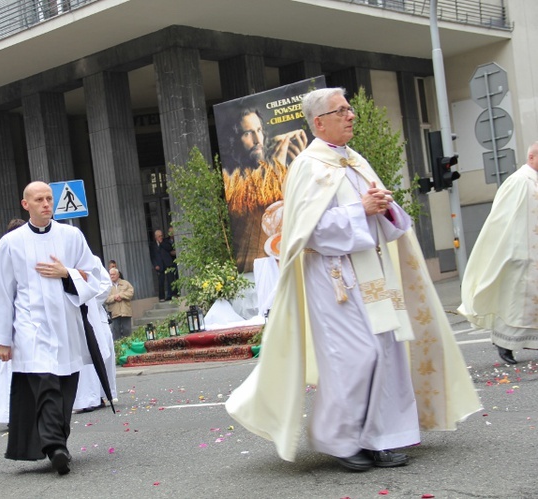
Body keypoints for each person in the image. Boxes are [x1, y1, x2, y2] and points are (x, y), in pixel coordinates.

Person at [225, 87, 481, 471]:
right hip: (333, 279)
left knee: (388, 353)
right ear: (319, 122)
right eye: (341, 110)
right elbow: (306, 230)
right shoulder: (309, 166)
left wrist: (384, 208)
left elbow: (390, 220)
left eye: (349, 109)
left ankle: (383, 437)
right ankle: (341, 440)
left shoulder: (355, 161)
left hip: (374, 272)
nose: (351, 115)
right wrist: (360, 211)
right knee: (355, 356)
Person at [0, 181, 100, 475]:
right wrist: (3, 339)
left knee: (65, 388)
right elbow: (2, 291)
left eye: (49, 198)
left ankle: (58, 443)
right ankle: (55, 447)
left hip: (66, 325)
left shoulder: (71, 236)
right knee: (46, 383)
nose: (46, 204)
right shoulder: (11, 243)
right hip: (30, 327)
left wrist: (68, 274)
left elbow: (96, 277)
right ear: (25, 204)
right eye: (39, 199)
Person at [459, 141, 538, 365]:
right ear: (531, 157)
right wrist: (510, 249)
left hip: (535, 254)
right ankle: (504, 344)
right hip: (520, 254)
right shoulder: (518, 181)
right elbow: (502, 218)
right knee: (514, 302)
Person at [0, 219, 25, 425]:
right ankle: (12, 413)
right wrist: (3, 337)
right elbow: (2, 295)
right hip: (12, 323)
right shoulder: (6, 253)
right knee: (11, 371)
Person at [73, 257, 115, 413]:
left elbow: (105, 284)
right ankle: (81, 398)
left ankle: (96, 396)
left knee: (93, 353)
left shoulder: (91, 260)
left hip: (90, 313)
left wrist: (87, 299)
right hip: (71, 313)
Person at [105, 267, 134, 340]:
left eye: (113, 274)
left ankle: (128, 348)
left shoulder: (125, 283)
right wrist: (114, 297)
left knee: (127, 332)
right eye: (110, 274)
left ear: (118, 275)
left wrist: (121, 295)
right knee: (115, 333)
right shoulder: (107, 285)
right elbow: (105, 298)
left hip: (125, 312)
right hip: (114, 313)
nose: (112, 276)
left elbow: (131, 293)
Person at [149, 229, 176, 302]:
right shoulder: (153, 245)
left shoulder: (165, 242)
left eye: (161, 236)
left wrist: (162, 243)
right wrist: (155, 265)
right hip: (159, 265)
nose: (161, 237)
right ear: (156, 237)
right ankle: (161, 297)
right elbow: (152, 256)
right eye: (159, 236)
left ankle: (171, 295)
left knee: (170, 280)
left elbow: (169, 248)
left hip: (167, 263)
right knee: (161, 281)